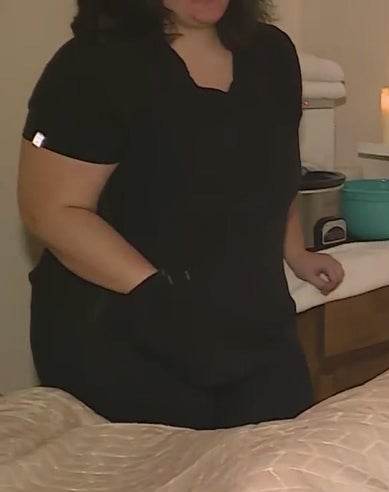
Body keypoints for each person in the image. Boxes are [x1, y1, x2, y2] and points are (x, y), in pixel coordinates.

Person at [17, 0, 345, 430]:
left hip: (253, 327)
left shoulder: (272, 53)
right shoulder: (88, 68)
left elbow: (267, 169)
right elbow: (50, 210)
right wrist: (159, 296)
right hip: (125, 335)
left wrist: (295, 251)